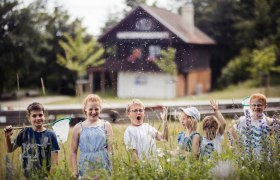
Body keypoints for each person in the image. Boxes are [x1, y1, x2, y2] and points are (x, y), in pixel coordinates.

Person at [3, 102, 60, 177]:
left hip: (45, 176)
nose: (38, 118)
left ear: (44, 116)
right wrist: (7, 137)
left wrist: (50, 177)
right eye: (34, 116)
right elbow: (9, 149)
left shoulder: (50, 135)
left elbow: (55, 162)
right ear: (29, 118)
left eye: (40, 115)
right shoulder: (24, 133)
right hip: (27, 176)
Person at [70, 94, 113, 178]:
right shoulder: (78, 127)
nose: (93, 112)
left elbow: (110, 150)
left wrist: (112, 168)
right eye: (90, 109)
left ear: (100, 109)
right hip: (85, 165)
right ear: (85, 109)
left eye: (96, 109)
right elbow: (73, 152)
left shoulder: (106, 125)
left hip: (103, 164)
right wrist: (74, 171)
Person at [123, 99, 168, 164]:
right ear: (128, 114)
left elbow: (164, 138)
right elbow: (133, 157)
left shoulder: (147, 126)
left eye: (140, 110)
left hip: (156, 168)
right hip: (144, 170)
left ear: (144, 113)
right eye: (135, 110)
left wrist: (165, 121)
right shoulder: (129, 131)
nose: (138, 112)